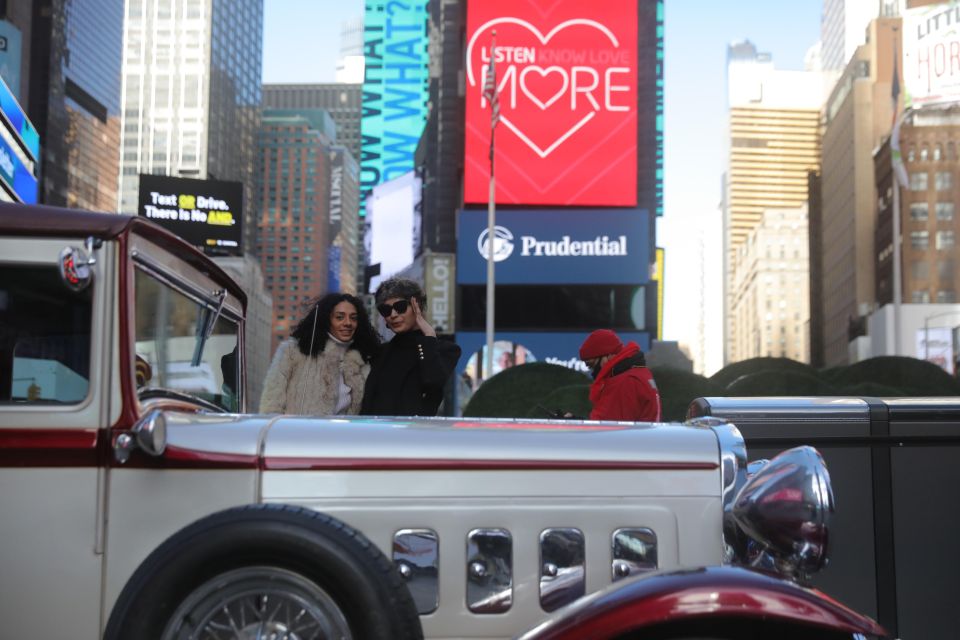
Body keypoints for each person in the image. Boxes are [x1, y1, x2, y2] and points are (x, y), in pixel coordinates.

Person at [260, 293, 379, 415]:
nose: (348, 323)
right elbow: (271, 406)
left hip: (342, 434)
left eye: (353, 318)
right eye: (339, 317)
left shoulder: (364, 362)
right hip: (296, 433)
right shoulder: (292, 351)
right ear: (326, 320)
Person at [361, 277, 461, 416]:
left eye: (400, 307)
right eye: (386, 310)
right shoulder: (379, 353)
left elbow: (433, 381)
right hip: (375, 434)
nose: (393, 315)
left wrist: (429, 337)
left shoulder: (445, 350)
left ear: (417, 306)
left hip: (414, 435)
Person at [578, 329, 661, 422]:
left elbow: (607, 430)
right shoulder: (638, 373)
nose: (592, 371)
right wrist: (577, 420)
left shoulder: (625, 382)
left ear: (608, 356)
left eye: (591, 365)